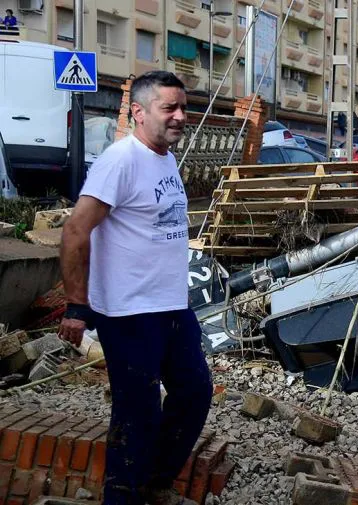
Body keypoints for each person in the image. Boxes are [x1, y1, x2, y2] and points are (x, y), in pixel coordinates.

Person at [59, 71, 211, 505]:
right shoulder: (120, 160)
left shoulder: (163, 156)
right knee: (136, 412)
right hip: (128, 313)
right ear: (139, 113)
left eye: (184, 107)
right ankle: (122, 495)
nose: (180, 116)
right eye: (169, 108)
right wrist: (76, 306)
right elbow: (74, 231)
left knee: (194, 392)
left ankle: (155, 482)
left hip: (169, 306)